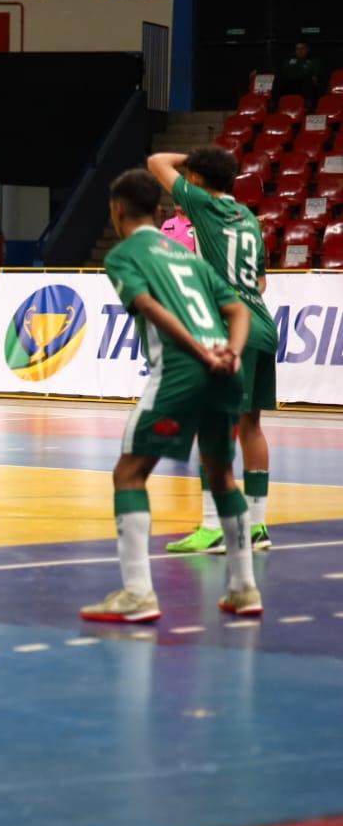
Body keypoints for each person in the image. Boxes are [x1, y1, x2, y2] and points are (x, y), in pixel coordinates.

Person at [81, 169, 260, 623]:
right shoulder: (191, 259)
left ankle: (138, 593)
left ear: (116, 211)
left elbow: (149, 307)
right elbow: (239, 307)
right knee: (221, 476)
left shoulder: (124, 256)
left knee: (129, 474)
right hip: (225, 370)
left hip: (182, 371)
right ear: (159, 212)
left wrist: (198, 350)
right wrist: (230, 352)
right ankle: (243, 589)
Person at [148, 147, 279, 554]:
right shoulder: (248, 219)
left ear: (199, 181)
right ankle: (256, 528)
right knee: (251, 426)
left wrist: (196, 158)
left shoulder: (202, 205)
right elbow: (260, 283)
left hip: (226, 330)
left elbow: (156, 162)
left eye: (192, 175)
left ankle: (214, 526)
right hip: (259, 325)